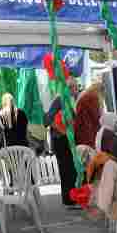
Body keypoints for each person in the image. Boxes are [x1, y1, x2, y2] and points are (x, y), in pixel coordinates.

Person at [46, 77, 82, 206]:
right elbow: (47, 119)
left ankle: (71, 199)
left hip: (65, 139)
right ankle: (69, 201)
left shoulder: (66, 100)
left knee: (69, 169)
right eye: (74, 87)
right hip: (60, 140)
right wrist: (61, 129)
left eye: (76, 87)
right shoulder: (59, 99)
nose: (76, 89)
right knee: (66, 169)